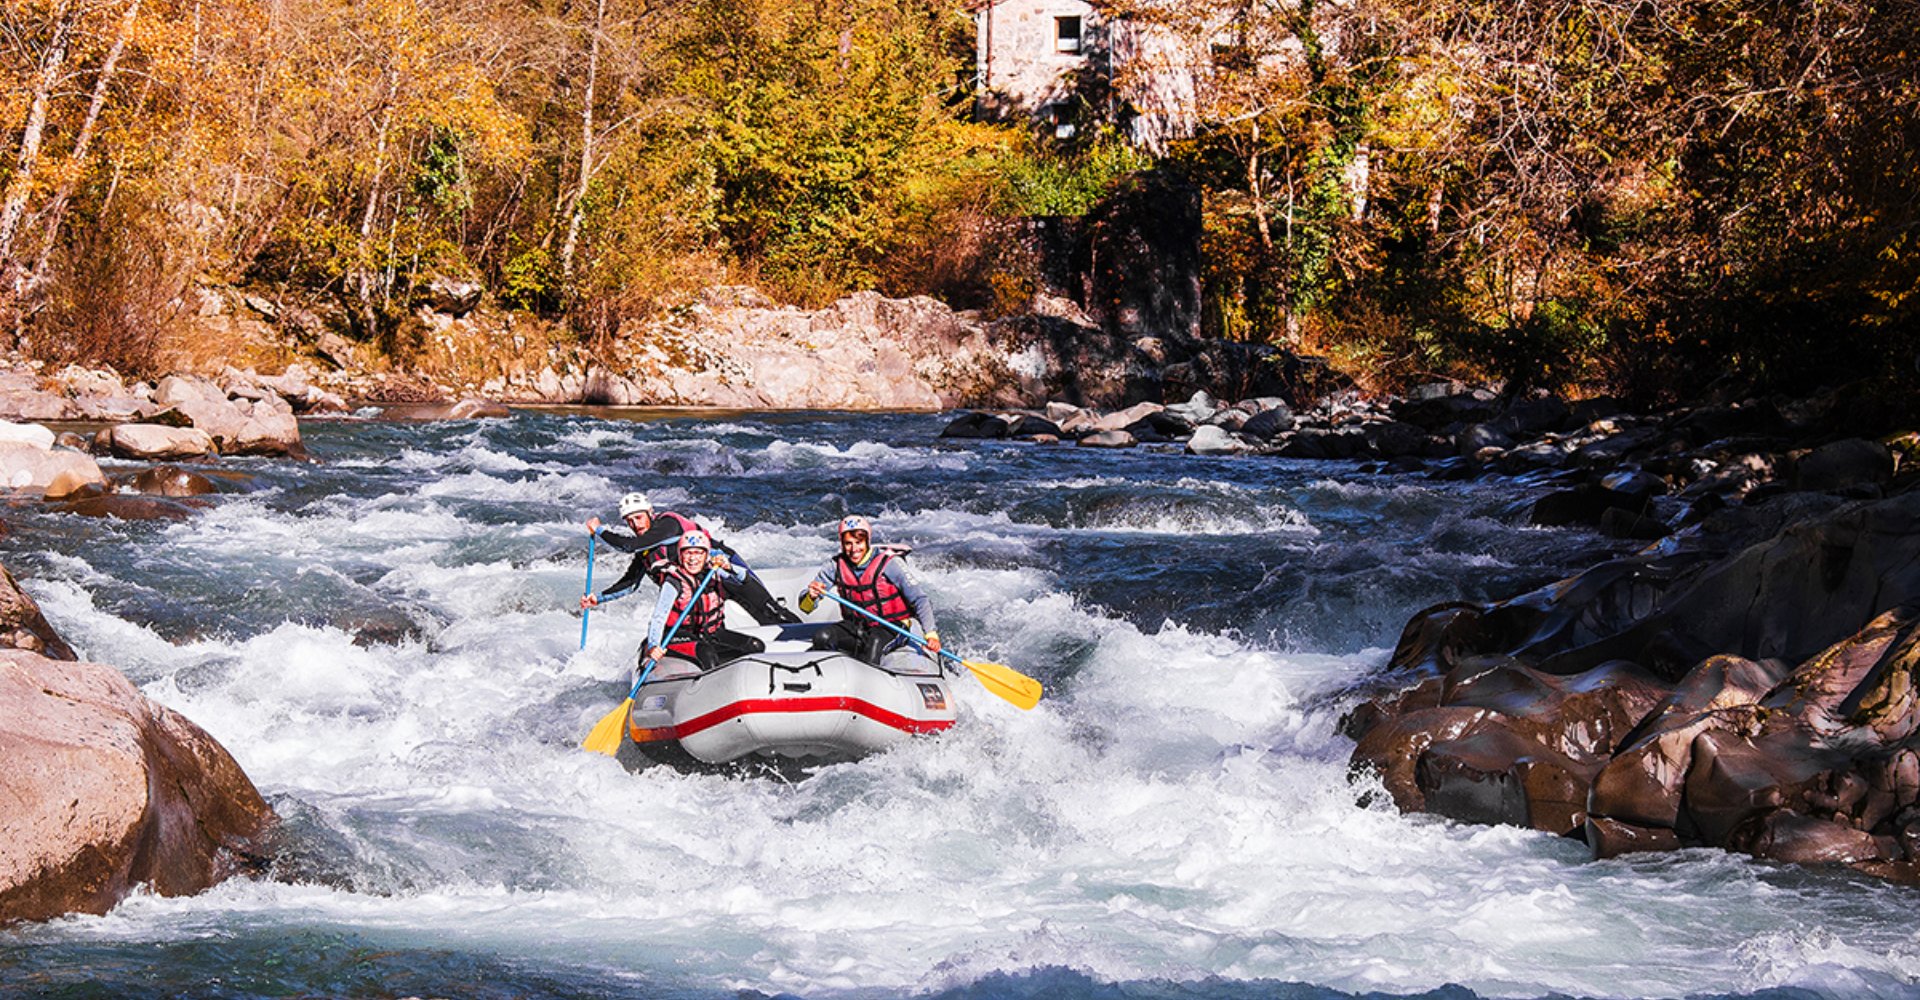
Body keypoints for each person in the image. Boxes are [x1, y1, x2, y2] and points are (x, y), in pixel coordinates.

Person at [585, 492, 799, 625]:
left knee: (770, 613)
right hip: (703, 590)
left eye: (639, 517)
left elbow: (627, 545)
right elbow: (630, 584)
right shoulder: (647, 551)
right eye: (629, 521)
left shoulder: (668, 524)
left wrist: (600, 530)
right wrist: (598, 598)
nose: (635, 525)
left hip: (726, 573)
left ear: (650, 513)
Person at [799, 515, 940, 666]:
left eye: (858, 542)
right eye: (848, 544)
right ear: (841, 543)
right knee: (823, 636)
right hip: (857, 626)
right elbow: (805, 607)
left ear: (867, 540)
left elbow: (920, 599)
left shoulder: (890, 563)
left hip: (893, 626)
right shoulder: (835, 566)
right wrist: (811, 596)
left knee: (875, 642)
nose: (854, 549)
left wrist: (931, 634)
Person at [626, 530, 765, 672]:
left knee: (755, 646)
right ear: (680, 556)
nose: (693, 559)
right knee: (707, 654)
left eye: (698, 553)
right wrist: (653, 646)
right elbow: (658, 617)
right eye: (688, 553)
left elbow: (743, 579)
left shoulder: (714, 572)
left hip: (709, 633)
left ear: (706, 555)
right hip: (676, 635)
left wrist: (729, 567)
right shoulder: (674, 581)